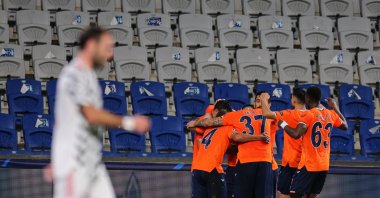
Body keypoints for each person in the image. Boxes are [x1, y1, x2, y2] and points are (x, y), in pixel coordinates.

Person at [51, 27, 150, 198]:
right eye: (106, 48)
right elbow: (90, 114)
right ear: (91, 45)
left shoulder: (89, 76)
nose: (110, 55)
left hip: (92, 164)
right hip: (73, 167)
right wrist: (130, 123)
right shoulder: (73, 74)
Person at [187, 93, 275, 198]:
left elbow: (195, 126)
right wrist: (259, 137)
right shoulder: (230, 126)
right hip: (214, 168)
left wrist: (194, 123)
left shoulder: (208, 125)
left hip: (197, 168)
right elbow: (237, 137)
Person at [276, 87, 348, 198]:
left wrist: (283, 124)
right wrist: (336, 107)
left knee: (294, 194)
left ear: (308, 99)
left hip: (309, 164)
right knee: (311, 195)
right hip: (324, 164)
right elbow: (345, 126)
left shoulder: (309, 114)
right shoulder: (330, 114)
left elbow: (296, 134)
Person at [260, 88, 313, 198]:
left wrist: (263, 99)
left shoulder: (289, 114)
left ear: (293, 100)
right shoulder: (313, 114)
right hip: (308, 163)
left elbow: (266, 113)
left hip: (291, 162)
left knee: (284, 194)